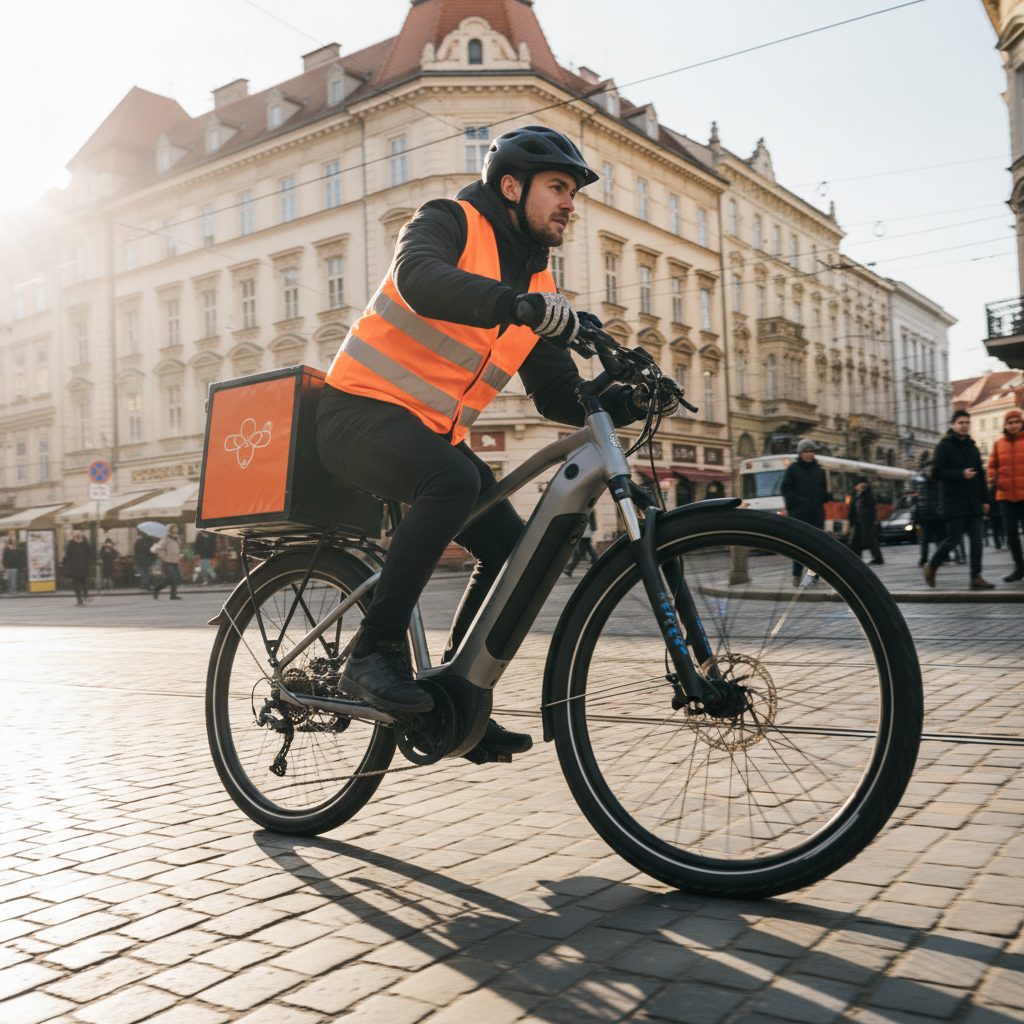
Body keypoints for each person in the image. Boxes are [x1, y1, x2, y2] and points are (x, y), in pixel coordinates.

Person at [316, 126, 668, 760]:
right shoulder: (448, 219)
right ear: (511, 186)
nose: (570, 203)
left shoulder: (540, 283)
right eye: (558, 187)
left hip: (428, 436)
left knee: (518, 546)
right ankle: (373, 651)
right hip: (355, 415)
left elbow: (559, 395)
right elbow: (418, 277)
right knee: (451, 481)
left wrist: (622, 397)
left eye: (572, 192)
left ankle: (455, 694)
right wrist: (519, 308)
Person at [925, 409, 994, 589]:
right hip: (953, 501)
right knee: (953, 539)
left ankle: (976, 577)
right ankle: (932, 565)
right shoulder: (944, 446)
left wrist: (986, 500)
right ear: (953, 425)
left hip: (973, 501)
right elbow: (937, 472)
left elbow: (980, 475)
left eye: (967, 423)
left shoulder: (973, 447)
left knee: (977, 541)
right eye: (961, 423)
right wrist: (961, 474)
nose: (964, 426)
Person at [780, 438, 831, 585]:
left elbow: (823, 489)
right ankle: (796, 575)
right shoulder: (793, 469)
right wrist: (797, 502)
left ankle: (814, 575)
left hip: (815, 514)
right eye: (806, 452)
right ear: (800, 453)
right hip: (799, 514)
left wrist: (822, 499)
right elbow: (785, 489)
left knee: (816, 548)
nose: (809, 454)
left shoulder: (819, 470)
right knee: (799, 547)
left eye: (812, 452)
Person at [988, 406, 1024, 582]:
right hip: (1005, 496)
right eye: (1010, 422)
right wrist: (993, 478)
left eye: (1017, 422)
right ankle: (1019, 566)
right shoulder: (999, 443)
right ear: (1006, 425)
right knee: (1011, 533)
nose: (1014, 425)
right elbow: (992, 465)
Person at [914, 459, 945, 567]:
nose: (930, 472)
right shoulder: (926, 481)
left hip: (936, 514)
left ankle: (939, 558)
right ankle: (924, 559)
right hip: (927, 514)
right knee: (925, 539)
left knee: (939, 538)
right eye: (928, 470)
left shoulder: (934, 481)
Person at [848, 481, 884, 565]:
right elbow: (852, 510)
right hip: (858, 522)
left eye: (862, 486)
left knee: (869, 540)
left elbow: (871, 510)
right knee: (855, 542)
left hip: (866, 522)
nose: (859, 487)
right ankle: (857, 558)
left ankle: (878, 558)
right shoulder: (855, 496)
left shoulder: (867, 496)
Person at [151, 524, 183, 600]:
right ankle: (157, 589)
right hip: (167, 561)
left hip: (175, 560)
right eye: (173, 528)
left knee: (176, 578)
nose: (175, 530)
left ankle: (173, 595)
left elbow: (177, 549)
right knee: (172, 578)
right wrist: (163, 555)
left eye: (176, 528)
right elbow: (157, 549)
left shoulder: (177, 539)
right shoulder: (165, 539)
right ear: (169, 530)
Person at [63, 529, 92, 606]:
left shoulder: (71, 544)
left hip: (74, 567)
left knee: (77, 584)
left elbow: (67, 555)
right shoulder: (85, 543)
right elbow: (90, 553)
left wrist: (64, 563)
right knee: (83, 582)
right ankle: (85, 597)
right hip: (82, 567)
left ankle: (80, 600)